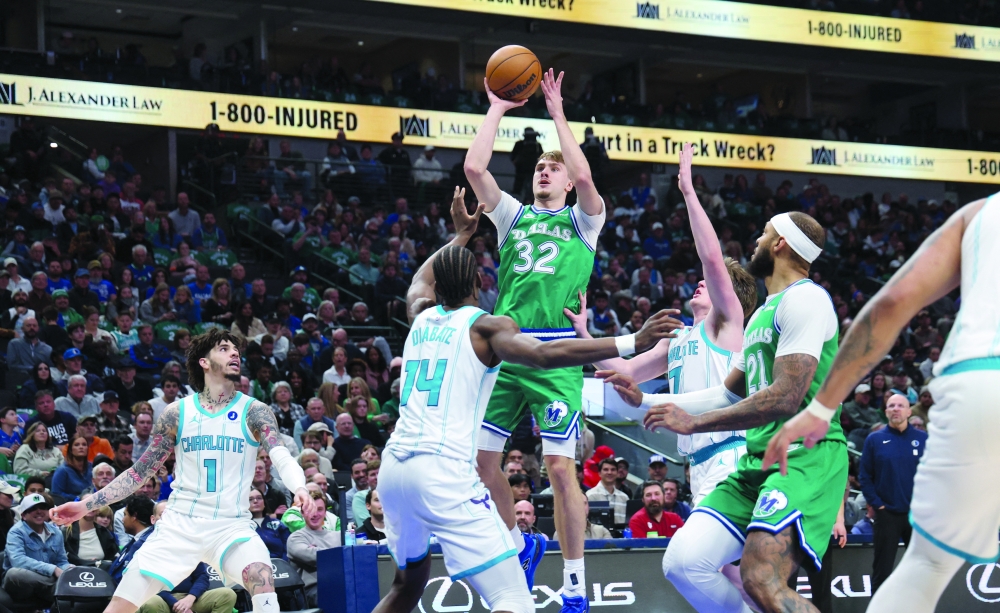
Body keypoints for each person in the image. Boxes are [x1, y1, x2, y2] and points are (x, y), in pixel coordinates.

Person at [371, 185, 673, 613]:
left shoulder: (418, 313)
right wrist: (630, 341)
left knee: (407, 586)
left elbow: (421, 278)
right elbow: (548, 353)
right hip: (441, 473)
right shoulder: (485, 328)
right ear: (481, 282)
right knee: (513, 598)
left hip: (393, 470)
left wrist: (459, 236)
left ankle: (521, 549)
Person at [759, 194, 999, 613]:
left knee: (925, 567)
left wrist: (820, 409)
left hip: (978, 377)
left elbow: (891, 304)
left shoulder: (981, 213)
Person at [609, 210, 845, 613]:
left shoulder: (806, 298)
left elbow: (785, 397)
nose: (756, 239)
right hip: (755, 462)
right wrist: (647, 401)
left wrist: (695, 422)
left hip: (804, 459)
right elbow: (725, 395)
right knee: (684, 563)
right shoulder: (760, 319)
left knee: (758, 577)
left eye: (764, 232)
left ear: (781, 244)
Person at [465, 68, 611, 611]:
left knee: (557, 466)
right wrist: (498, 108)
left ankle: (575, 580)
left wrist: (556, 114)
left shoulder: (584, 222)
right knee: (482, 462)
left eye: (555, 168)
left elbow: (589, 177)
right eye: (541, 167)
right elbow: (475, 167)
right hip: (505, 350)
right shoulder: (511, 219)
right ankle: (515, 545)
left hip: (554, 352)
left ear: (568, 181)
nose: (546, 172)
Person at [50, 328, 311, 613]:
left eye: (236, 349)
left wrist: (299, 487)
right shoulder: (177, 413)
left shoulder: (255, 411)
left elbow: (281, 454)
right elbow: (139, 473)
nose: (234, 353)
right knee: (118, 608)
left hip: (231, 526)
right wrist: (86, 504)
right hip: (179, 526)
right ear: (204, 361)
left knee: (262, 575)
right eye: (224, 348)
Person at [855, 393, 926, 594]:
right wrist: (878, 504)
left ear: (909, 411)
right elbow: (865, 476)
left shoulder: (924, 439)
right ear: (886, 412)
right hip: (887, 515)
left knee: (921, 571)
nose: (896, 408)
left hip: (917, 517)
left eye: (900, 405)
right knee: (882, 572)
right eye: (891, 405)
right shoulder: (874, 439)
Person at [137, 501, 239, 613]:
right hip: (162, 599)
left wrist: (191, 597)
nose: (168, 519)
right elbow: (147, 585)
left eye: (172, 515)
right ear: (153, 519)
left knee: (227, 594)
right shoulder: (145, 546)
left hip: (189, 598)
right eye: (163, 515)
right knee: (151, 602)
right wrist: (175, 604)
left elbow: (202, 577)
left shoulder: (189, 542)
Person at [3, 493, 72, 608]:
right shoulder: (16, 532)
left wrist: (68, 569)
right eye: (33, 509)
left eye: (42, 507)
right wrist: (52, 569)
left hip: (43, 585)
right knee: (14, 573)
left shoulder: (57, 532)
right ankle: (59, 588)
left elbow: (61, 562)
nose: (39, 511)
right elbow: (18, 561)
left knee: (73, 571)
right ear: (24, 515)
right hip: (20, 584)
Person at [286, 497, 339, 607]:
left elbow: (319, 555)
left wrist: (317, 549)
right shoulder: (296, 538)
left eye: (319, 509)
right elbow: (314, 557)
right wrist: (339, 553)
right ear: (302, 513)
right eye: (310, 510)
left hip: (340, 583)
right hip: (313, 590)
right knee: (336, 596)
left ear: (325, 512)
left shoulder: (338, 536)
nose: (315, 514)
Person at [250, 490, 290, 560]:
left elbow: (288, 548)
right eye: (250, 499)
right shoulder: (244, 527)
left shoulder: (278, 524)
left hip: (281, 565)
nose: (255, 501)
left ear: (264, 502)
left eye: (259, 498)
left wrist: (283, 564)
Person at [585, 458, 628, 525]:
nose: (609, 472)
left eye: (613, 470)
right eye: (606, 469)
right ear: (599, 473)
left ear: (617, 473)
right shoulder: (590, 495)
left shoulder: (625, 498)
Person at [52, 435, 94, 500]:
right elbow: (56, 494)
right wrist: (78, 498)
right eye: (77, 445)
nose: (81, 447)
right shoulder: (62, 470)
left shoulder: (92, 467)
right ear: (71, 450)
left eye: (84, 445)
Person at [344, 458, 368, 524]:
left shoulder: (378, 491)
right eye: (357, 472)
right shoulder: (347, 497)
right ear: (352, 476)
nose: (361, 475)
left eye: (364, 471)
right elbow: (353, 522)